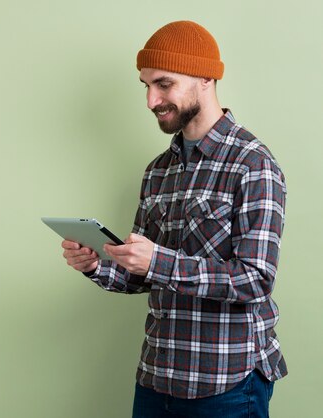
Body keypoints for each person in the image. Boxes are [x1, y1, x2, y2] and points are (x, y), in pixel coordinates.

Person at [61, 21, 287, 417]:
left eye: (163, 84)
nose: (151, 100)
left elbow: (255, 278)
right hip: (156, 379)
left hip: (225, 383)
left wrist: (158, 260)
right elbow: (142, 274)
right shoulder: (158, 171)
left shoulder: (253, 165)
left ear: (205, 77)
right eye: (146, 86)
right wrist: (97, 263)